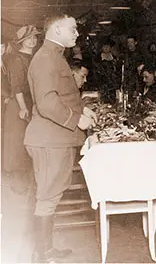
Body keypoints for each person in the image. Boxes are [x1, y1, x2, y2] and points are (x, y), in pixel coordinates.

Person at [24, 14, 97, 263]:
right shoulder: (45, 59)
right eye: (72, 28)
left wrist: (81, 110)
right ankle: (42, 255)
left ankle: (47, 250)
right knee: (47, 196)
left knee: (52, 195)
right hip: (49, 139)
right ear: (56, 30)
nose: (76, 33)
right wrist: (76, 120)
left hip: (56, 138)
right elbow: (47, 103)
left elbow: (62, 96)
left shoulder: (55, 57)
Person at [2, 25, 40, 194]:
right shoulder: (17, 59)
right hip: (19, 105)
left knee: (29, 143)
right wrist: (23, 108)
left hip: (30, 103)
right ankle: (18, 187)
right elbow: (17, 87)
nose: (32, 40)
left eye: (35, 37)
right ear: (21, 41)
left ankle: (29, 185)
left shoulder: (33, 57)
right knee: (18, 144)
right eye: (29, 38)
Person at [95, 39, 119, 104]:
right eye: (104, 46)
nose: (106, 48)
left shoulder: (114, 58)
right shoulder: (97, 58)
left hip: (113, 84)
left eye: (108, 46)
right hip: (102, 83)